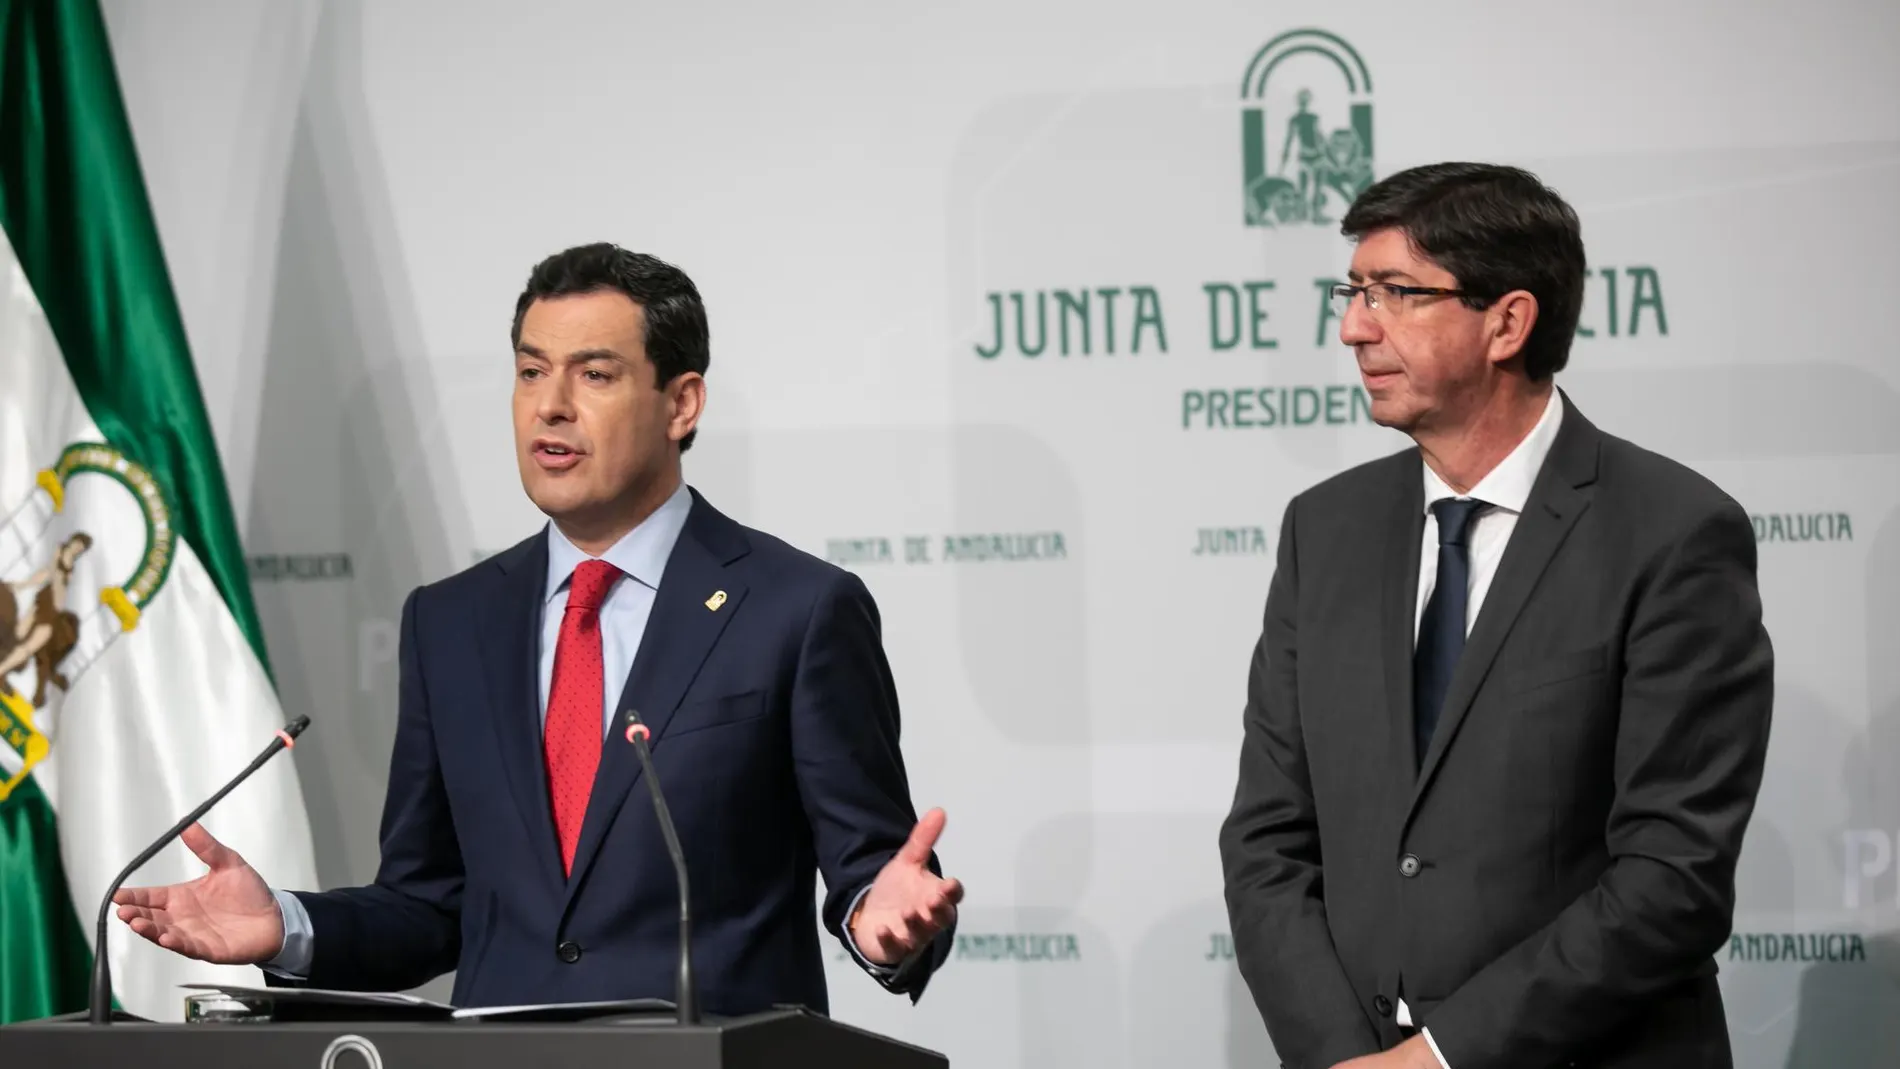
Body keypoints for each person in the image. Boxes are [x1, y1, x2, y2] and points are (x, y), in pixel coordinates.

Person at [113, 243, 961, 1015]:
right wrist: (286, 925)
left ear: (681, 402)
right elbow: (430, 904)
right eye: (529, 372)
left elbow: (876, 880)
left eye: (594, 375)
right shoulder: (450, 621)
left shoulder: (797, 609)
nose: (549, 408)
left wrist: (884, 922)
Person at [1218, 163, 1773, 1069]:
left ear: (1508, 322)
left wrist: (1439, 1058)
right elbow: (1267, 841)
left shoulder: (1673, 532)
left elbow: (1672, 877)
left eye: (1396, 292)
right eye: (1353, 292)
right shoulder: (1323, 528)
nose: (1356, 326)